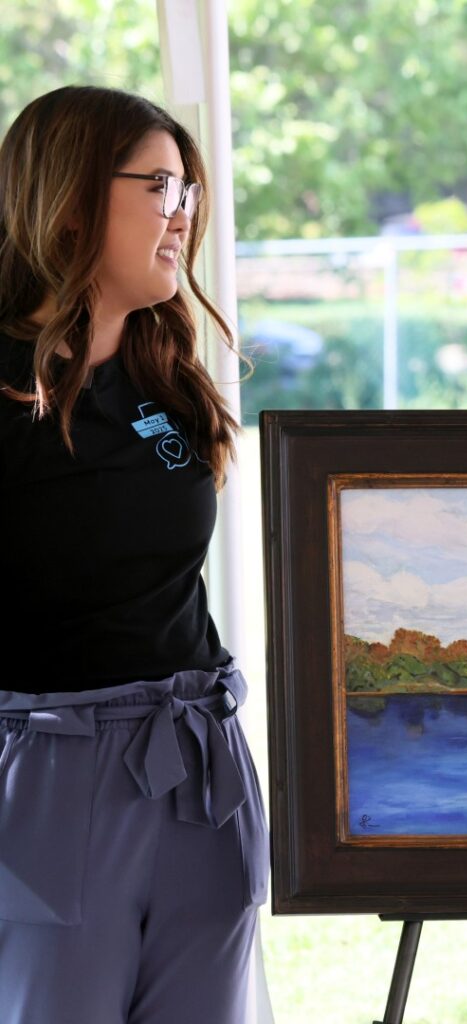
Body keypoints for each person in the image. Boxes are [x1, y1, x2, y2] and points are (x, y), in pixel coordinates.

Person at [0, 86, 268, 1023]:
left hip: (200, 766)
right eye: (159, 185)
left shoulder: (167, 380)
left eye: (187, 188)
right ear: (70, 200)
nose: (183, 212)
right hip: (51, 774)